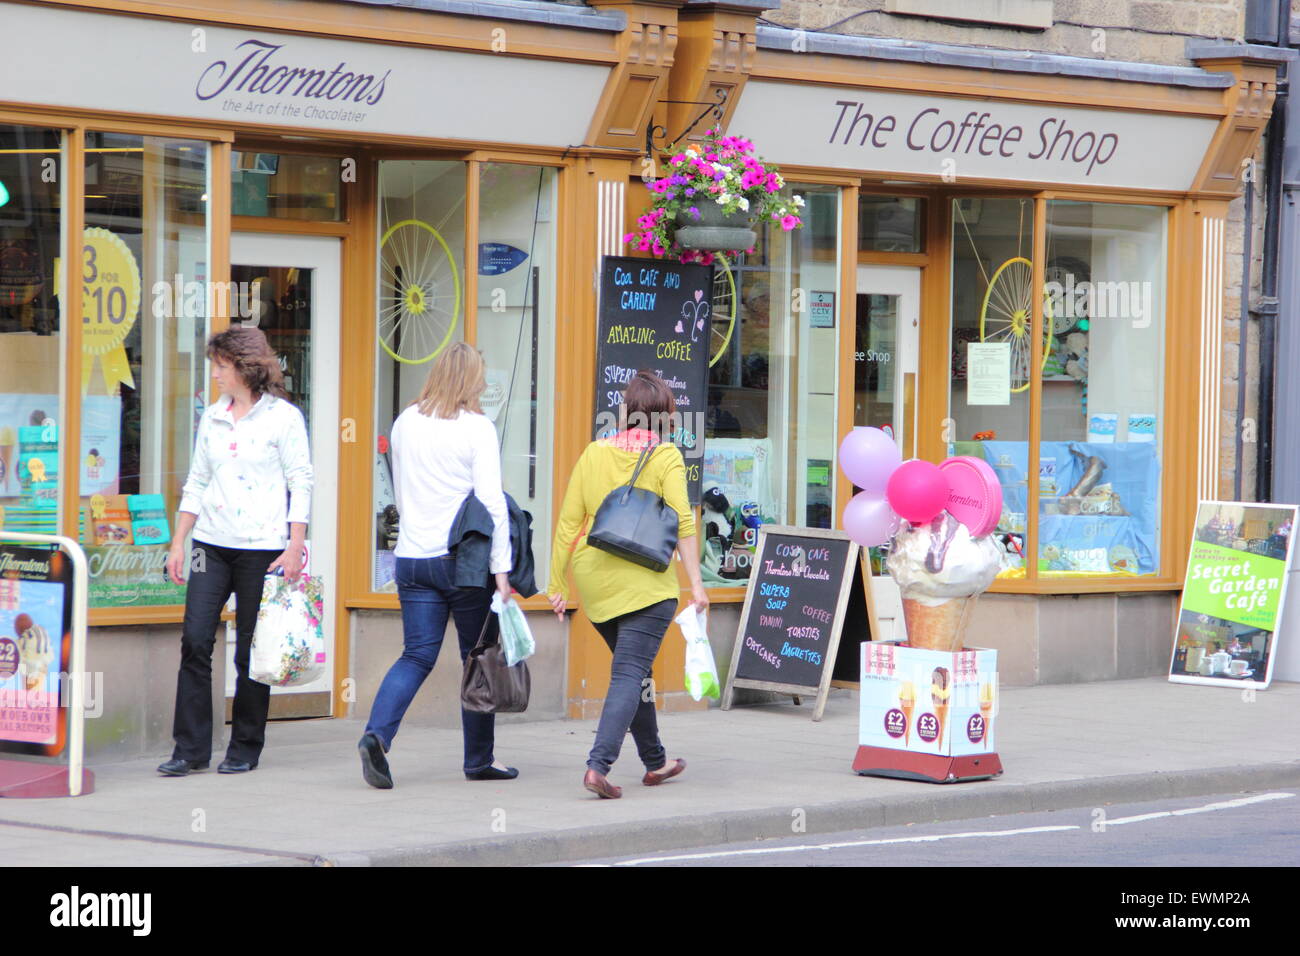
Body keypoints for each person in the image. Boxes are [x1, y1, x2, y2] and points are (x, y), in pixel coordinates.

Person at [357, 343, 515, 789]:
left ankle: (376, 735)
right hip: (463, 563)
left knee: (416, 655)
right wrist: (501, 569)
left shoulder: (405, 422)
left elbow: (404, 493)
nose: (484, 384)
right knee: (477, 660)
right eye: (480, 377)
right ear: (470, 380)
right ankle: (479, 760)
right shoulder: (478, 428)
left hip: (412, 558)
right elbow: (491, 505)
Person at [159, 327, 313, 776]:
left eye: (221, 367)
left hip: (262, 550)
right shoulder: (213, 416)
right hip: (211, 543)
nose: (216, 375)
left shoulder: (283, 418)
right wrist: (178, 540)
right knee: (195, 641)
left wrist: (294, 545)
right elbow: (197, 480)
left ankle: (245, 747)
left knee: (251, 649)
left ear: (244, 368)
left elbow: (300, 480)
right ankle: (189, 750)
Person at [548, 370, 708, 799]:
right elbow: (684, 521)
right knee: (629, 673)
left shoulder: (593, 452)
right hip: (646, 582)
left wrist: (557, 582)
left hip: (595, 580)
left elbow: (568, 523)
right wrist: (697, 583)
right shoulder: (667, 456)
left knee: (634, 673)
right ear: (665, 415)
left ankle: (656, 761)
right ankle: (598, 766)